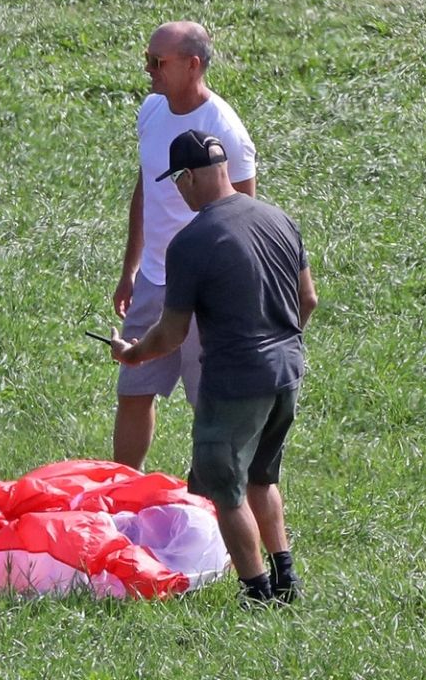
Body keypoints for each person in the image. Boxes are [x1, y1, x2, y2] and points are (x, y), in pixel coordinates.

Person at [110, 130, 318, 605]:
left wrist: (133, 354)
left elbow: (171, 334)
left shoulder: (191, 242)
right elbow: (308, 299)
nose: (178, 191)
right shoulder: (279, 219)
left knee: (225, 490)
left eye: (176, 181)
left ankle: (257, 592)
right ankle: (286, 577)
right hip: (286, 371)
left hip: (235, 380)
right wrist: (282, 342)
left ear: (189, 178)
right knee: (262, 477)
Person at [111, 21, 258, 470]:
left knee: (207, 401)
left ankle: (216, 493)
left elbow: (244, 216)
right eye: (147, 59)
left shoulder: (224, 130)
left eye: (158, 62)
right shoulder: (152, 110)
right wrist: (131, 267)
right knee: (133, 388)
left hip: (205, 290)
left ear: (193, 65)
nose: (148, 69)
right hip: (155, 278)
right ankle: (124, 489)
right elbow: (147, 189)